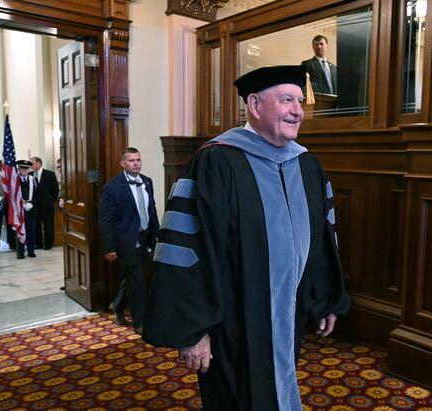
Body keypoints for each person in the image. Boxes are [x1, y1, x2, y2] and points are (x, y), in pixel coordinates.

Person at [143, 65, 350, 411]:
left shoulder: (307, 166)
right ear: (254, 105)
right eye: (286, 100)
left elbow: (322, 239)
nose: (298, 110)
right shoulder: (217, 162)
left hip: (288, 316)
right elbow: (185, 248)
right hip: (230, 323)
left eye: (299, 100)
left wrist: (327, 297)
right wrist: (194, 330)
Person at [98, 147, 159, 334]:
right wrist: (109, 247)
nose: (136, 163)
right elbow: (105, 220)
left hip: (145, 238)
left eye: (138, 160)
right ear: (123, 163)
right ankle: (140, 322)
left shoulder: (147, 182)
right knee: (138, 281)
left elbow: (152, 210)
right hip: (125, 241)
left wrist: (156, 236)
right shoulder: (113, 187)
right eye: (131, 160)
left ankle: (117, 306)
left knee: (133, 278)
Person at [30, 156, 59, 250]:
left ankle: (48, 243)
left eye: (32, 163)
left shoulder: (49, 174)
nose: (31, 166)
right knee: (36, 225)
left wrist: (51, 200)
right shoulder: (30, 174)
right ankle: (38, 243)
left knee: (48, 225)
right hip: (34, 206)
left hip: (47, 205)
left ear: (38, 163)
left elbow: (55, 190)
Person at [15, 160, 37, 259]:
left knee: (31, 230)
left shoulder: (33, 180)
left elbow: (38, 194)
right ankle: (20, 252)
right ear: (18, 169)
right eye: (22, 168)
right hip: (19, 209)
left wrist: (32, 204)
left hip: (31, 209)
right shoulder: (15, 180)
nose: (24, 170)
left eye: (26, 168)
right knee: (20, 230)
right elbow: (13, 195)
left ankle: (31, 250)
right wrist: (22, 204)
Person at [0, 160, 15, 252]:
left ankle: (12, 244)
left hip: (9, 204)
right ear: (0, 165)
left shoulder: (11, 175)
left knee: (10, 224)